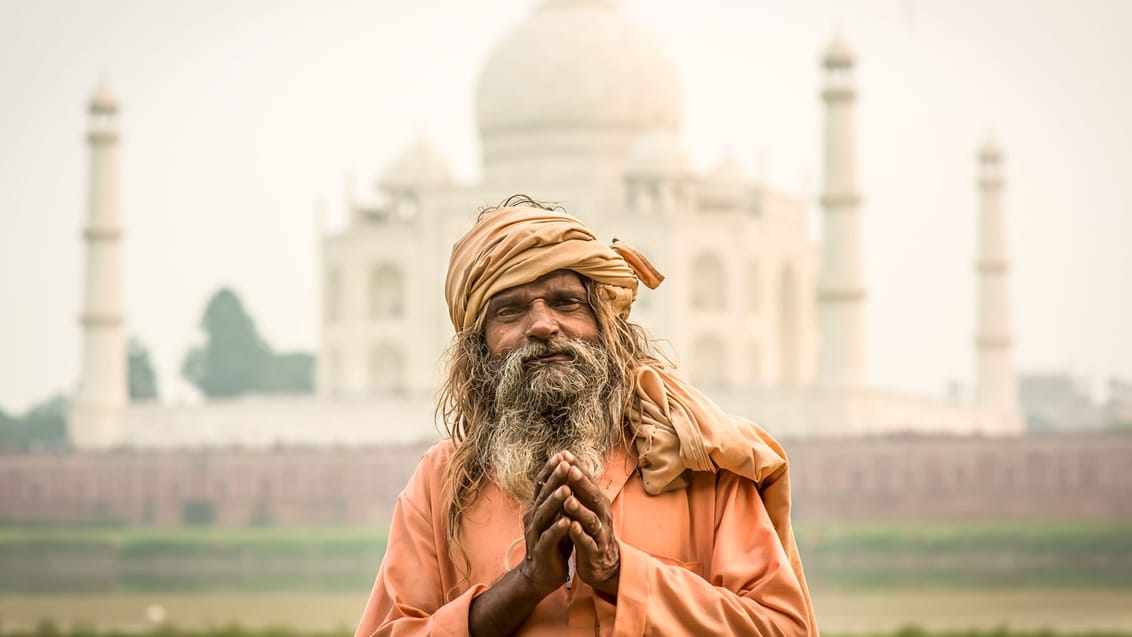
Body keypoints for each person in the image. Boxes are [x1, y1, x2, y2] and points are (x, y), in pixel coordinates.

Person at [355, 196, 817, 636]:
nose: (541, 324)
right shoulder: (444, 484)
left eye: (565, 302)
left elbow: (782, 627)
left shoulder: (695, 463)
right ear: (478, 349)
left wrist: (621, 573)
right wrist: (526, 584)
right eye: (510, 310)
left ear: (606, 326)